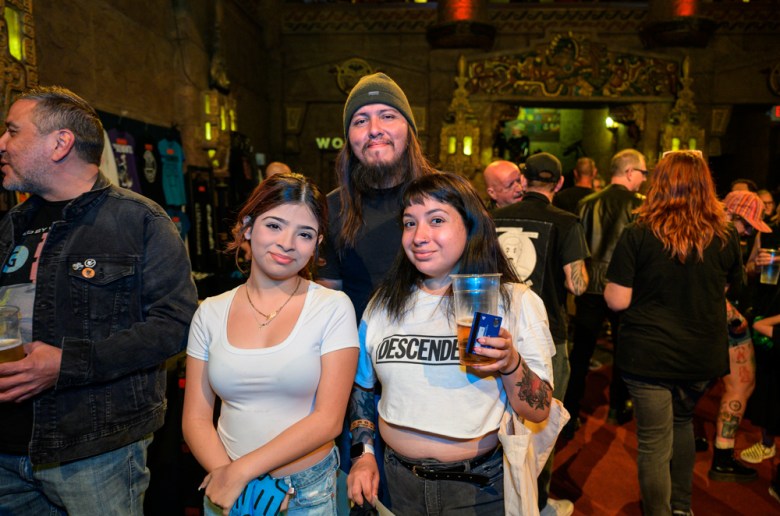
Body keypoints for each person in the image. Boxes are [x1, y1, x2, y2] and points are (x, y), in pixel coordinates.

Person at [0, 86, 198, 513]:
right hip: (8, 451)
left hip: (94, 451)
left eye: (12, 131)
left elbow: (175, 325)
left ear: (60, 143)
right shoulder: (11, 224)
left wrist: (66, 364)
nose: (2, 143)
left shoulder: (140, 221)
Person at [346, 172, 554, 514]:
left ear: (470, 226)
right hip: (397, 484)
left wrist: (510, 363)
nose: (419, 236)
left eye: (437, 220)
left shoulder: (514, 302)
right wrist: (363, 455)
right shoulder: (382, 304)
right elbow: (362, 388)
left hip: (479, 490)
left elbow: (540, 408)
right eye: (410, 223)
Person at [183, 173, 359, 515]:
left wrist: (243, 473)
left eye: (304, 234)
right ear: (248, 228)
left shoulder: (332, 307)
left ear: (317, 243)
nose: (287, 243)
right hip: (225, 487)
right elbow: (195, 418)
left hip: (305, 494)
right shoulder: (210, 312)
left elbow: (328, 420)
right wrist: (230, 478)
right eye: (274, 225)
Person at [604, 150, 744, 515]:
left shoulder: (639, 233)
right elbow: (727, 288)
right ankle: (681, 507)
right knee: (682, 423)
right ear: (705, 185)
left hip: (649, 353)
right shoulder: (725, 235)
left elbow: (617, 300)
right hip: (700, 353)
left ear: (660, 184)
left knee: (653, 441)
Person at [493, 152, 589, 516]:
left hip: (496, 331)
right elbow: (577, 285)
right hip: (545, 334)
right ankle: (537, 502)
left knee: (495, 420)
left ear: (523, 181)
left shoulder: (493, 218)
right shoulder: (566, 221)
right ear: (560, 183)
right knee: (540, 421)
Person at [317, 72, 436, 322]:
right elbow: (328, 300)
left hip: (435, 343)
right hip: (358, 343)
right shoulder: (331, 208)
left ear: (409, 129)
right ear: (349, 138)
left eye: (387, 116)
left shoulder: (447, 199)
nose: (374, 130)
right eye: (360, 121)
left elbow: (479, 283)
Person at [563, 148, 646, 436]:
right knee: (624, 350)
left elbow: (577, 247)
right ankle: (617, 407)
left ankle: (571, 412)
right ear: (630, 172)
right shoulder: (640, 205)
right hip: (625, 287)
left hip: (590, 286)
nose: (644, 179)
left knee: (581, 351)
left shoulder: (587, 204)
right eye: (643, 173)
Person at [705, 190, 772, 483]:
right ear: (733, 215)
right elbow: (710, 289)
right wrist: (734, 317)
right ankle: (722, 458)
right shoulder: (720, 237)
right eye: (747, 225)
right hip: (721, 320)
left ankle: (703, 445)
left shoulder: (705, 230)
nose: (748, 233)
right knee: (741, 384)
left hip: (698, 323)